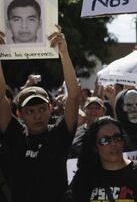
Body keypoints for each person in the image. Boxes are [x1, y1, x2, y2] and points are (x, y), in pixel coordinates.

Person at [0, 27, 80, 202]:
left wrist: (64, 53)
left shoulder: (60, 134)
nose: (38, 116)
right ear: (19, 114)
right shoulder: (15, 135)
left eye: (42, 109)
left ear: (51, 108)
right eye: (30, 111)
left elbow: (74, 97)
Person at [66, 116, 137, 202]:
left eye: (117, 138)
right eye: (105, 140)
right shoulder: (84, 177)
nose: (113, 144)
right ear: (94, 146)